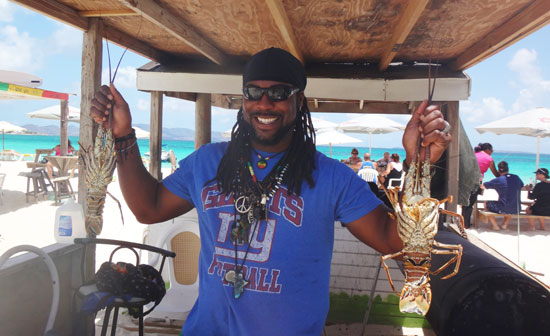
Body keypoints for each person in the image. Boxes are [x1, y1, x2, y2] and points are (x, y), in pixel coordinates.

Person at [90, 47, 451, 336]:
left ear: (299, 100)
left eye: (278, 93)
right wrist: (123, 135)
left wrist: (418, 165)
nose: (265, 103)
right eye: (254, 92)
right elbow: (148, 208)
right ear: (243, 98)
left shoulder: (332, 177)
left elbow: (393, 240)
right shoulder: (206, 163)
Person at [462, 142, 500, 228]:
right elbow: (496, 174)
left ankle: (462, 222)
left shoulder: (472, 154)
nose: (492, 153)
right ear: (487, 150)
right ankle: (466, 225)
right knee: (470, 203)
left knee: (464, 202)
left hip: (464, 179)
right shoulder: (489, 159)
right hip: (476, 181)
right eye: (492, 151)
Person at [482, 161, 524, 230]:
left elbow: (483, 186)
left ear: (498, 171)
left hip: (503, 208)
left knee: (486, 203)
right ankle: (505, 224)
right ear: (508, 169)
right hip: (517, 208)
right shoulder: (516, 177)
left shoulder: (498, 180)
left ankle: (495, 226)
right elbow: (521, 186)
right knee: (511, 202)